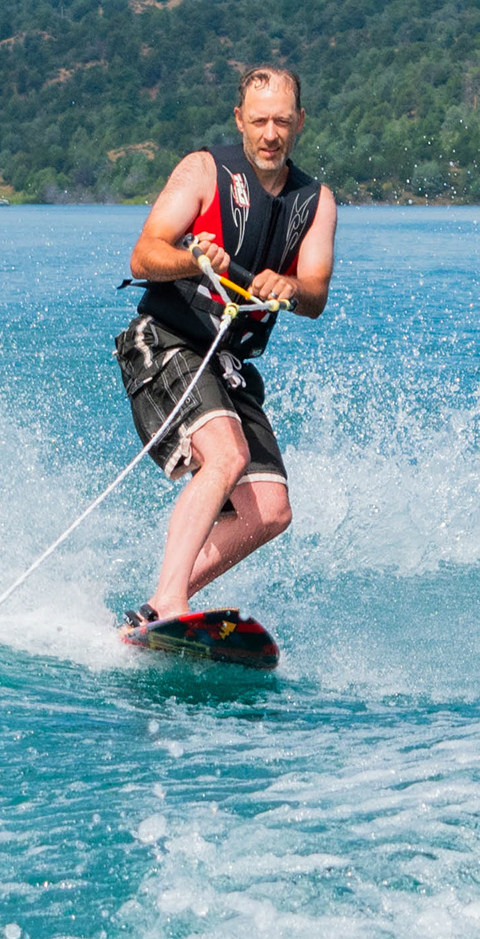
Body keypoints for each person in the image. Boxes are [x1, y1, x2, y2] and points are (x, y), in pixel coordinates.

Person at [116, 64, 336, 626]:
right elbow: (143, 256)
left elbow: (315, 293)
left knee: (271, 512)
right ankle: (170, 602)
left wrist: (289, 287)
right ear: (239, 120)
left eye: (282, 121)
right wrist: (192, 259)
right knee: (226, 456)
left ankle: (155, 609)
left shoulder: (316, 202)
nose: (270, 134)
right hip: (165, 342)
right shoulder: (203, 170)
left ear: (301, 122)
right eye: (259, 121)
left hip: (226, 363)